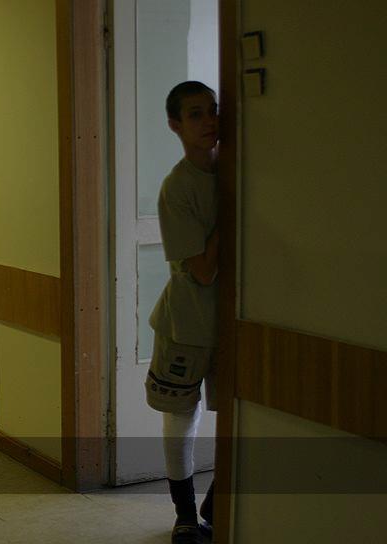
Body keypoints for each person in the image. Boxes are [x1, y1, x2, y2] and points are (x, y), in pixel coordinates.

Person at [145, 80, 219, 544]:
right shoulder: (178, 187)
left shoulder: (235, 168)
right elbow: (204, 271)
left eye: (212, 110)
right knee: (181, 418)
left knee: (238, 415)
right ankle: (186, 515)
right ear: (175, 125)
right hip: (186, 324)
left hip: (231, 323)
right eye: (195, 114)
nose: (209, 121)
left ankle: (215, 505)